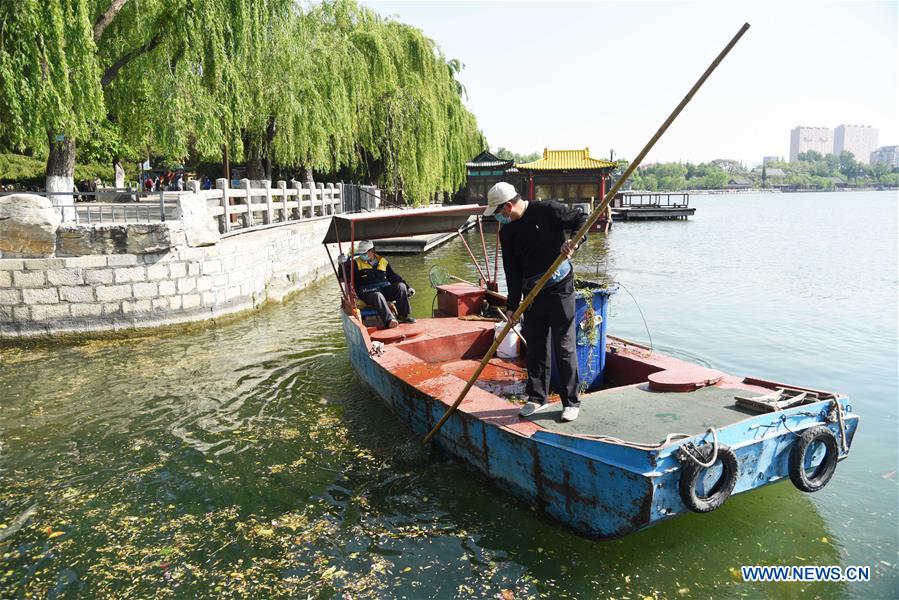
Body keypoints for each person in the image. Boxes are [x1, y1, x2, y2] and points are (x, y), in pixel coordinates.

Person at [484, 182, 587, 422]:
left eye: (499, 213)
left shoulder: (547, 210)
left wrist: (573, 242)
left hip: (560, 287)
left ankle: (571, 401)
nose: (498, 218)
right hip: (532, 294)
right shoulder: (506, 232)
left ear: (508, 206)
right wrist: (512, 306)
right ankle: (537, 398)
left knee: (563, 346)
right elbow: (512, 271)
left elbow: (582, 220)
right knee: (536, 347)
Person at [341, 240, 416, 329]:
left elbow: (394, 277)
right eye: (361, 253)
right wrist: (341, 264)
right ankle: (390, 321)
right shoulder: (355, 264)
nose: (362, 256)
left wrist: (408, 287)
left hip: (384, 290)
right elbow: (344, 276)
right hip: (367, 294)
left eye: (364, 253)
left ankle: (403, 316)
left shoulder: (383, 261)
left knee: (400, 286)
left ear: (372, 251)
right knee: (377, 295)